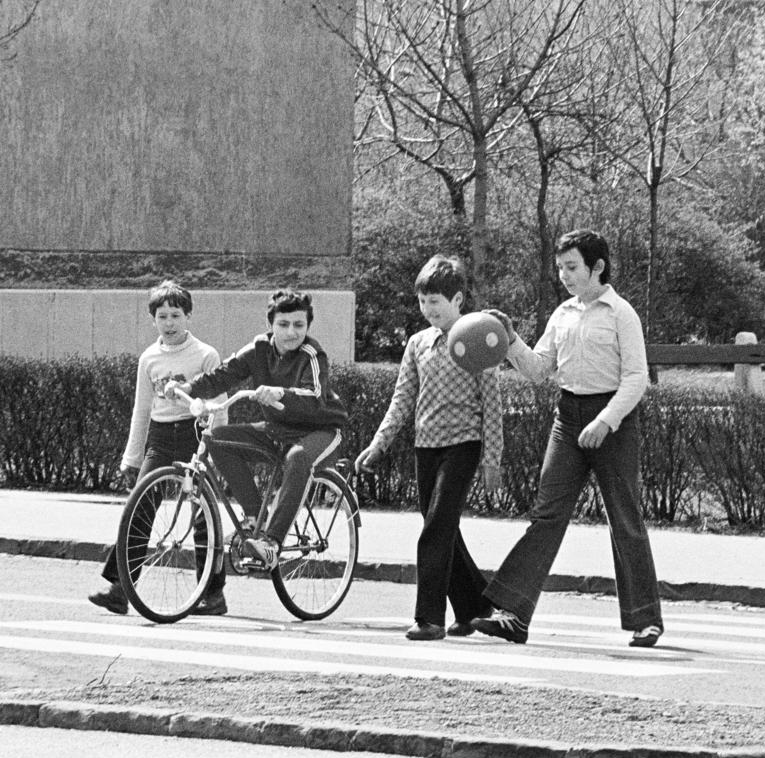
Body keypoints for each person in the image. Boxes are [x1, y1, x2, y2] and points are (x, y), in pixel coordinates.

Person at [472, 229, 665, 648]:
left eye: (572, 267)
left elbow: (636, 378)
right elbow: (540, 369)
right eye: (560, 267)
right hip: (568, 417)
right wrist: (508, 338)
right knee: (547, 515)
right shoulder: (563, 314)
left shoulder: (621, 314)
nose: (564, 275)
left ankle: (645, 620)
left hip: (613, 422)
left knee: (624, 519)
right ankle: (514, 615)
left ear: (598, 267)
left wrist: (606, 421)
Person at [355, 255, 502, 641]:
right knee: (443, 530)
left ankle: (429, 618)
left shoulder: (477, 338)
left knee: (435, 531)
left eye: (435, 301)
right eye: (423, 301)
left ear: (457, 300)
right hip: (427, 447)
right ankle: (475, 606)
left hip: (463, 446)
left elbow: (492, 405)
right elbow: (402, 398)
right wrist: (378, 444)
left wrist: (491, 460)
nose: (428, 309)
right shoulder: (418, 343)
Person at [175, 288, 350, 568]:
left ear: (307, 326)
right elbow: (224, 374)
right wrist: (188, 387)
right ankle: (258, 517)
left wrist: (281, 393)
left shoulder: (313, 354)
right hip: (277, 429)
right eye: (283, 324)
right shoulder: (259, 348)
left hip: (323, 429)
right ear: (270, 325)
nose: (291, 332)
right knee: (218, 439)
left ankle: (271, 544)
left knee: (298, 458)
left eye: (299, 325)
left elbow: (316, 397)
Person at [88, 281, 228, 616]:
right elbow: (141, 408)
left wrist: (218, 447)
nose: (169, 322)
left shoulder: (205, 354)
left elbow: (219, 405)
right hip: (162, 437)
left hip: (196, 436)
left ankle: (212, 594)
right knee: (139, 507)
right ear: (153, 320)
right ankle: (121, 589)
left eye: (176, 315)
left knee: (202, 516)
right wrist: (131, 457)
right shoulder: (149, 358)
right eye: (162, 316)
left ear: (188, 316)